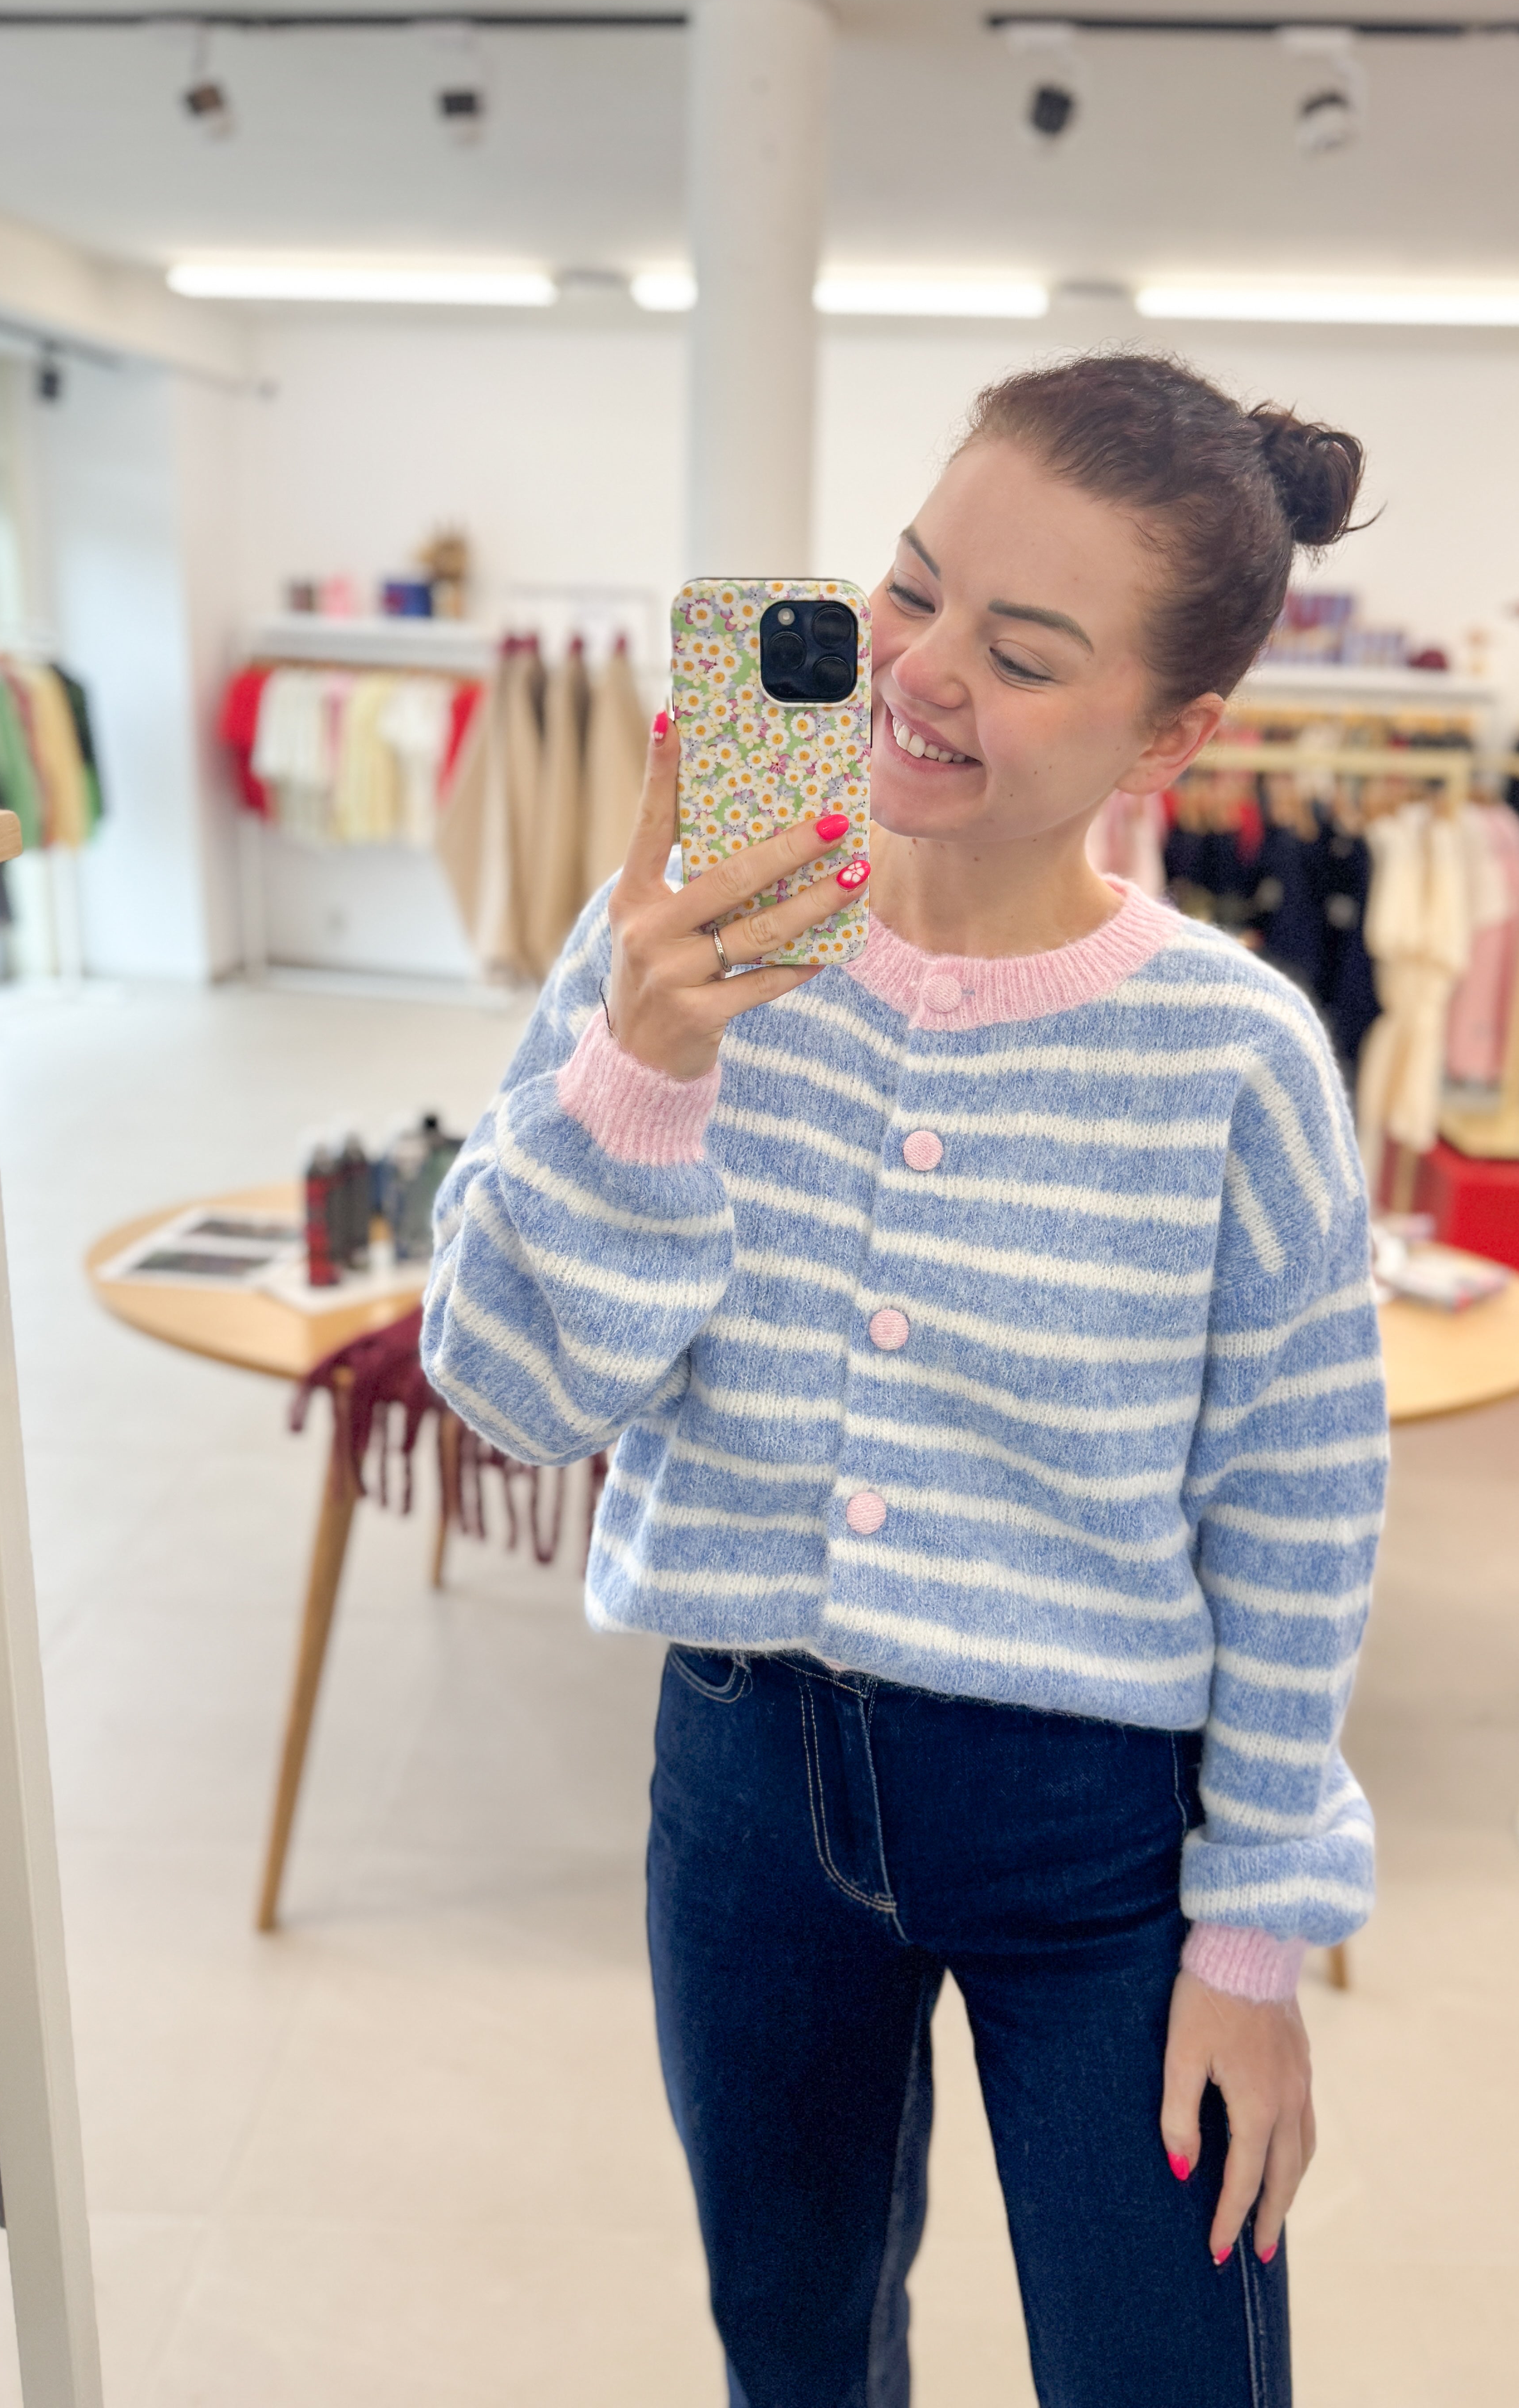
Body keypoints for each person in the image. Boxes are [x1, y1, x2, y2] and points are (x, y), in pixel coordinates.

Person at [423, 351, 1385, 2408]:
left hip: (1102, 1835)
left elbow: (1301, 1517)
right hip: (746, 1794)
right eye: (913, 585)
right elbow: (509, 1387)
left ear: (1178, 731)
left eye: (1025, 650)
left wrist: (1255, 1941)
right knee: (800, 2354)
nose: (924, 669)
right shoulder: (678, 947)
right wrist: (642, 1069)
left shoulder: (1235, 1058)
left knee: (1174, 2369)